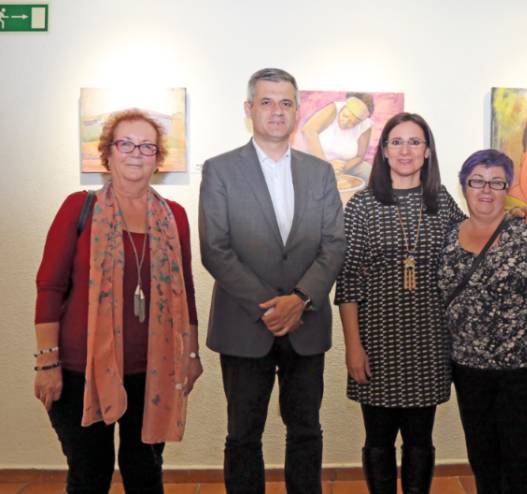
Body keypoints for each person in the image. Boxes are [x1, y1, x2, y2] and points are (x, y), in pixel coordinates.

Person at [335, 114, 527, 494]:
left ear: (427, 151)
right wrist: (353, 347)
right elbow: (348, 283)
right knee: (377, 440)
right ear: (384, 151)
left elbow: (478, 228)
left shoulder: (441, 201)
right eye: (397, 142)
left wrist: (512, 208)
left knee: (419, 440)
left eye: (415, 142)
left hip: (429, 344)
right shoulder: (362, 205)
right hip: (376, 343)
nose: (406, 150)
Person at [34, 108, 201, 494]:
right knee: (90, 474)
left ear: (158, 158)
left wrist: (191, 356)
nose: (136, 153)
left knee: (145, 473)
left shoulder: (174, 216)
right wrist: (47, 363)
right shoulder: (79, 208)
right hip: (80, 371)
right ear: (107, 153)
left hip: (153, 370)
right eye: (125, 144)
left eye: (147, 146)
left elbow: (187, 291)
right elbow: (49, 287)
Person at [199, 68, 345, 494]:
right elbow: (215, 248)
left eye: (285, 103)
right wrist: (272, 306)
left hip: (306, 322)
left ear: (297, 111)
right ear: (249, 109)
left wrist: (299, 299)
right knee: (243, 435)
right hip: (245, 326)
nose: (277, 111)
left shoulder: (321, 172)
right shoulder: (220, 170)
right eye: (266, 102)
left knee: (306, 430)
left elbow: (334, 244)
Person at [438, 149, 527, 493]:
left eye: (496, 182)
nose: (486, 190)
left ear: (507, 188)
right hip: (468, 372)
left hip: (525, 373)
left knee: (526, 467)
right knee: (484, 462)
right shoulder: (447, 238)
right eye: (477, 181)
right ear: (463, 186)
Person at [301, 92, 374, 179]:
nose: (346, 123)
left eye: (353, 123)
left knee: (367, 171)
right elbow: (308, 130)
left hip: (343, 166)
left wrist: (343, 168)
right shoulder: (333, 109)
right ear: (344, 107)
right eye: (345, 116)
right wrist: (326, 165)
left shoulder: (365, 125)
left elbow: (359, 156)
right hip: (318, 161)